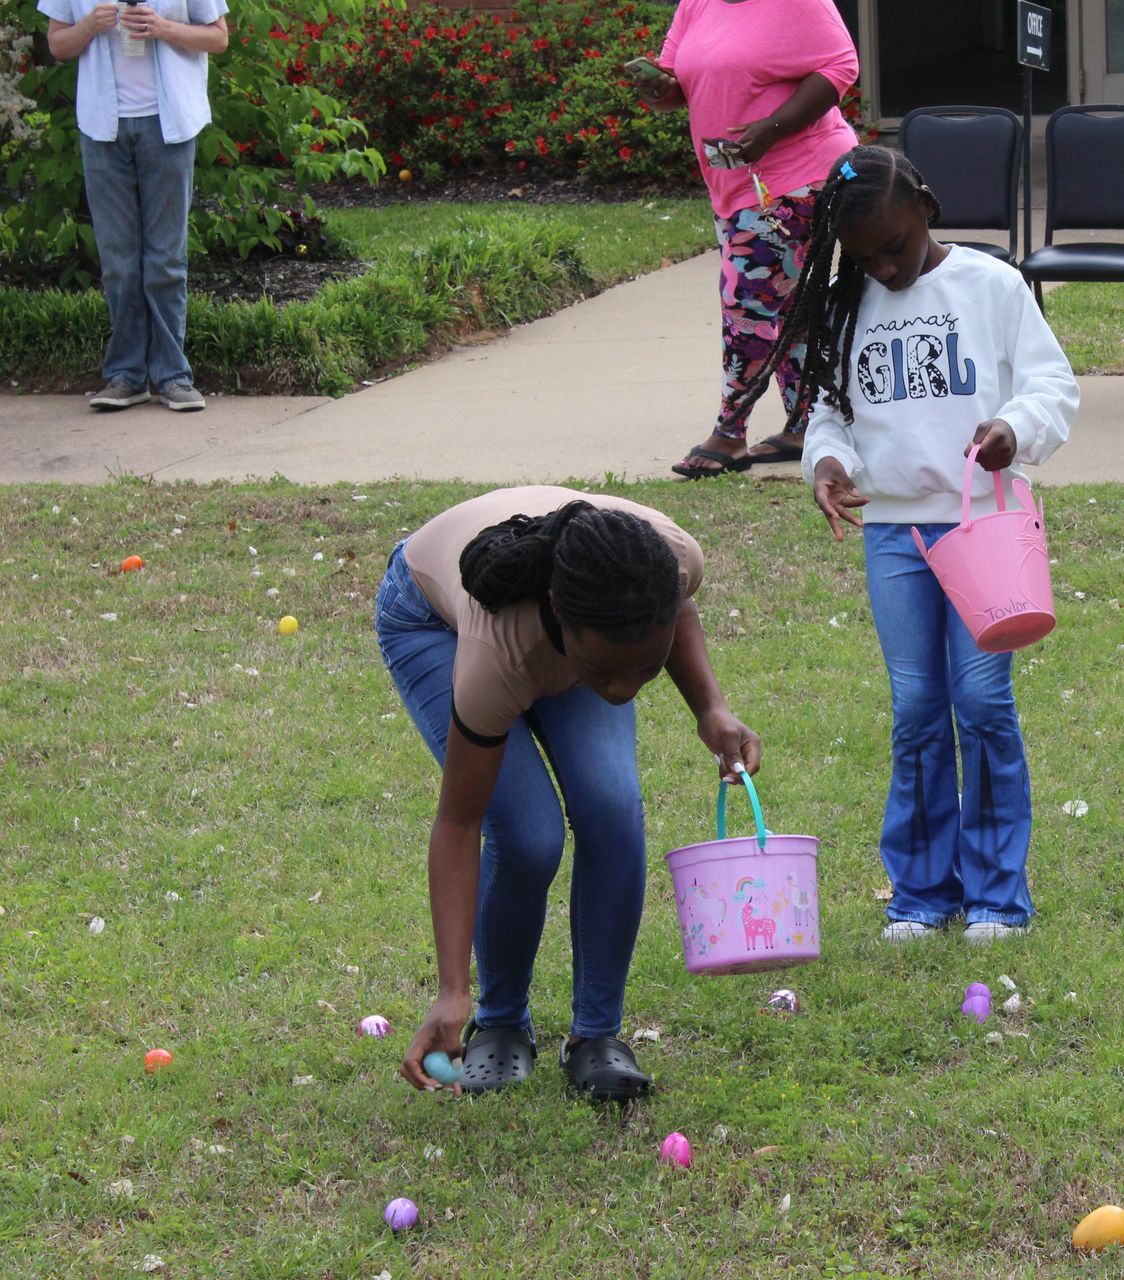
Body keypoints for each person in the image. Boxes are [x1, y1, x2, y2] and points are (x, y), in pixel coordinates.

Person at [726, 144, 1076, 942]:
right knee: (918, 709)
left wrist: (1011, 429)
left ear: (926, 203)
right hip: (893, 533)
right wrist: (826, 464)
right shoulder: (846, 303)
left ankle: (997, 895)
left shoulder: (991, 285)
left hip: (984, 527)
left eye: (895, 245)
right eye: (866, 254)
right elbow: (830, 413)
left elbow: (1051, 386)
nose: (885, 266)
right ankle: (922, 892)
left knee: (983, 703)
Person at [375, 487, 761, 1102]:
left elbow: (674, 607)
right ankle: (499, 1022)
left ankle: (597, 1037)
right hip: (432, 616)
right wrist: (453, 989)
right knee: (528, 835)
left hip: (587, 621)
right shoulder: (495, 654)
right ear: (561, 617)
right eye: (607, 672)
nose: (623, 690)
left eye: (644, 669)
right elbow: (459, 823)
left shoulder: (667, 561)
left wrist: (709, 709)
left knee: (611, 810)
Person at [635, 0, 859, 478]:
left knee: (747, 304)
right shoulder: (697, 4)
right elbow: (682, 84)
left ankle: (729, 434)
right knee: (790, 307)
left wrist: (772, 128)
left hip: (799, 172)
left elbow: (842, 65)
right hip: (738, 182)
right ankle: (805, 425)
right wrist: (659, 89)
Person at [40, 0, 228, 412]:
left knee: (165, 258)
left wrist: (162, 27)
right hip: (102, 126)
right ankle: (126, 376)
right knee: (119, 260)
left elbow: (218, 37)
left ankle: (173, 376)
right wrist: (89, 24)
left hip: (169, 123)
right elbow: (58, 44)